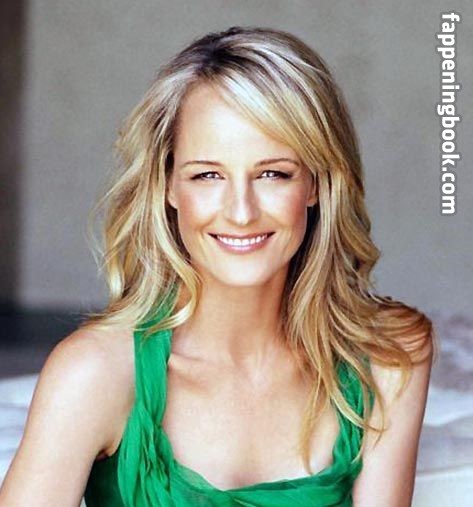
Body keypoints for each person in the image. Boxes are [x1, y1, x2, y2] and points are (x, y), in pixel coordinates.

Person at [0, 26, 437, 507]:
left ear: (315, 183)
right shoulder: (94, 373)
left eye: (272, 173)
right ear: (168, 185)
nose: (241, 212)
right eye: (208, 175)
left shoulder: (390, 356)